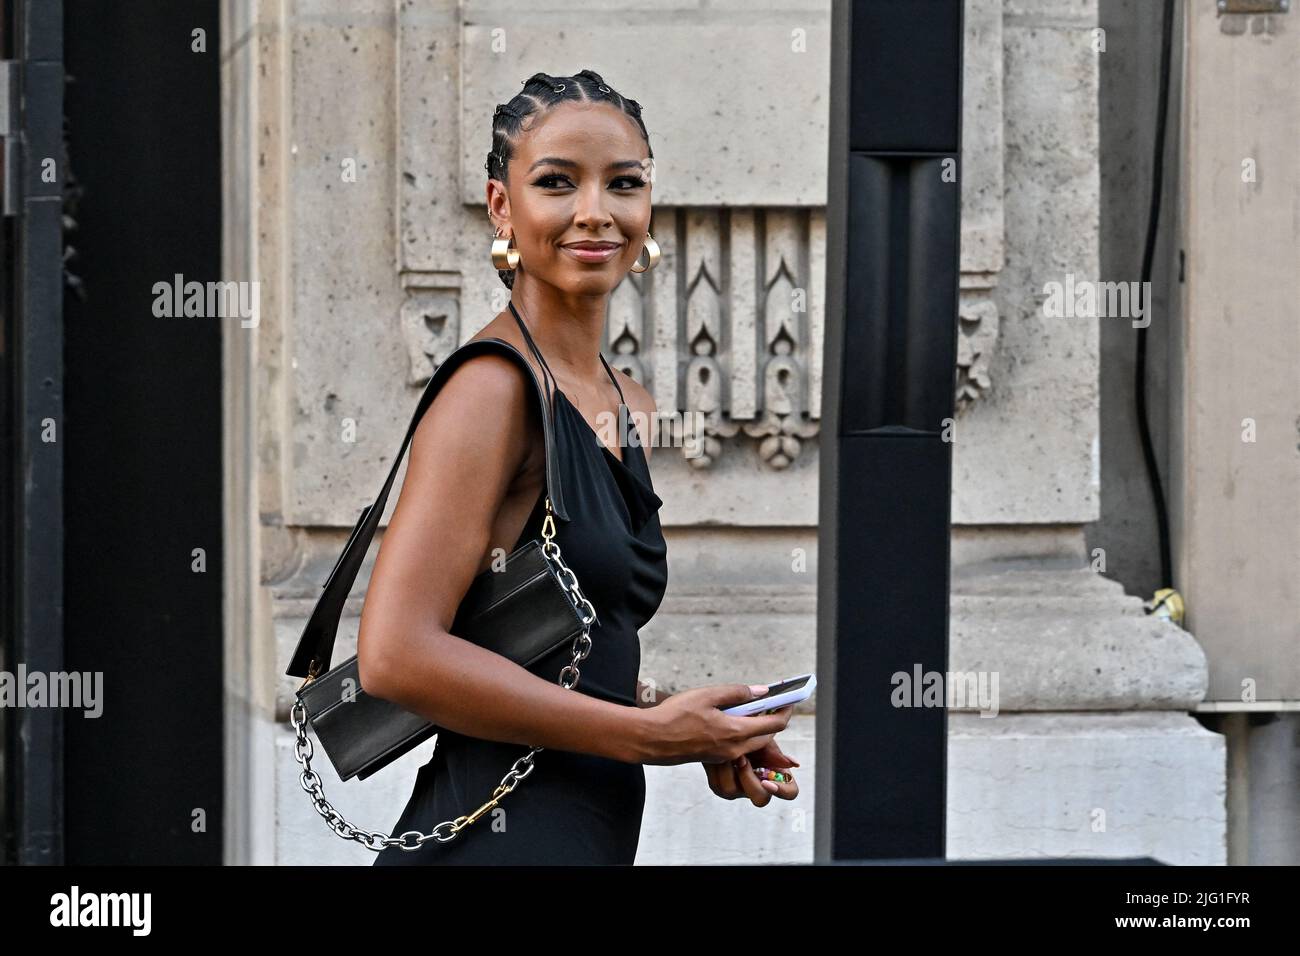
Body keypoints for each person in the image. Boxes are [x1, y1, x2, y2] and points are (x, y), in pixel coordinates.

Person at [361, 69, 799, 866]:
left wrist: (689, 728)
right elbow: (396, 653)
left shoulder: (627, 400)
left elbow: (561, 659)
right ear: (503, 206)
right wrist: (643, 736)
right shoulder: (491, 388)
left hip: (582, 833)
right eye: (557, 182)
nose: (595, 211)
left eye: (623, 184)